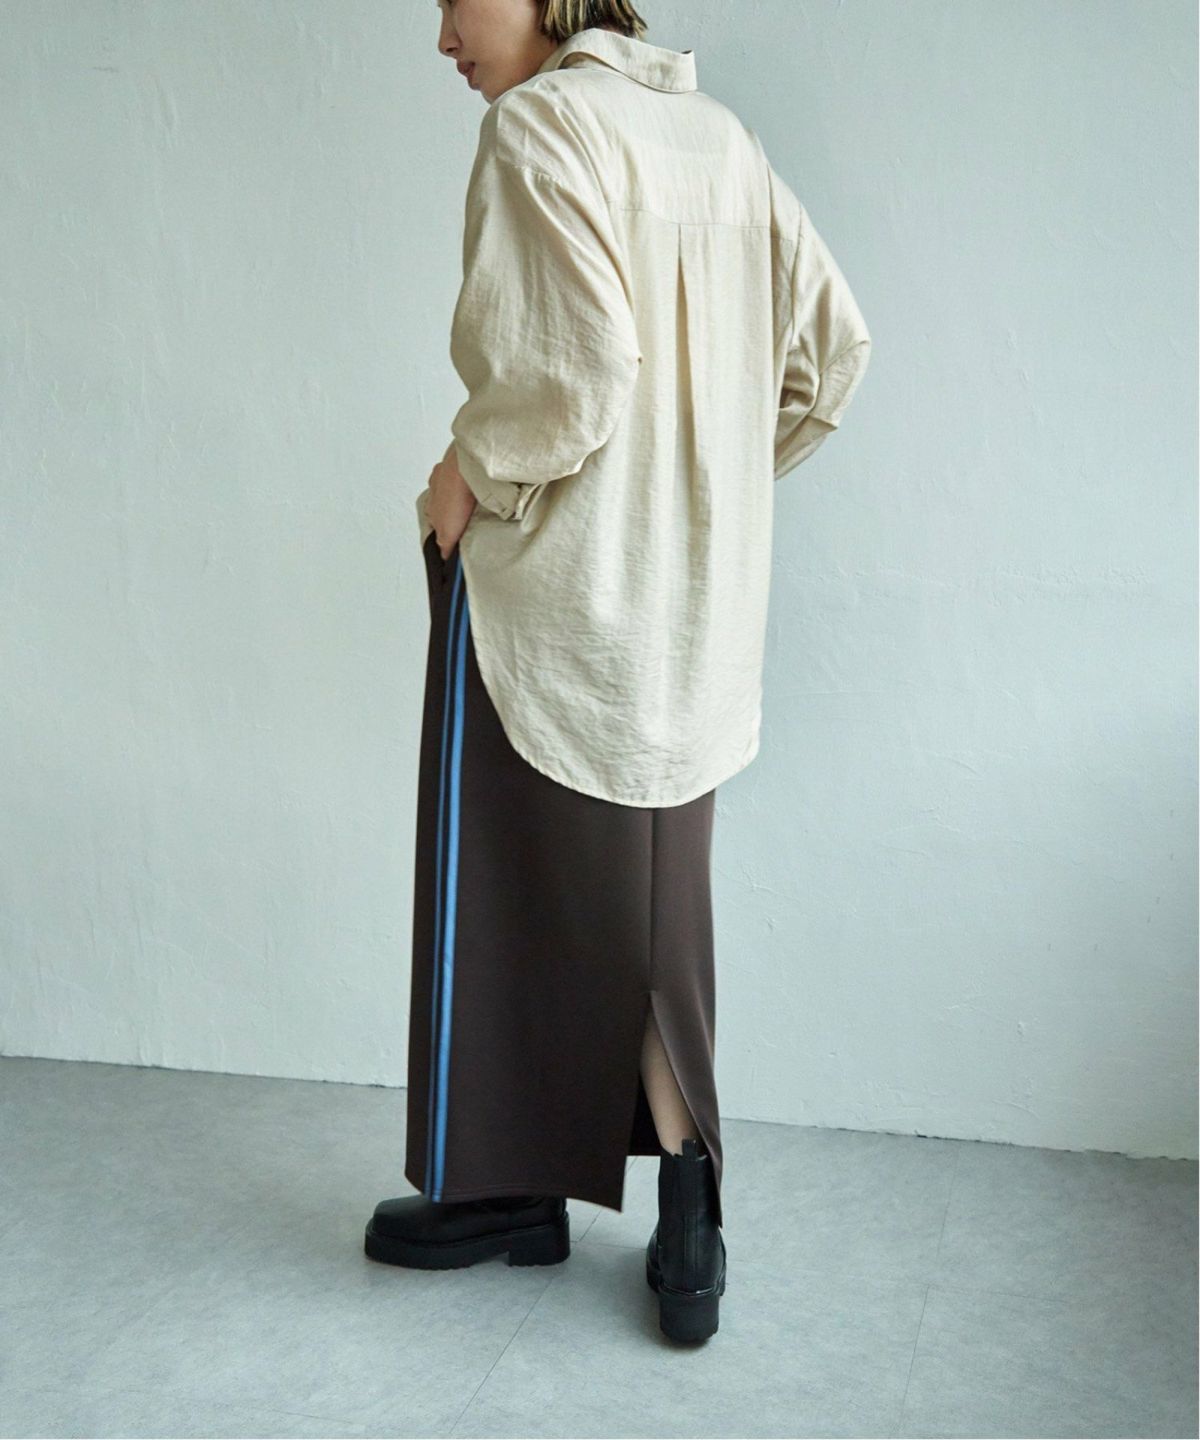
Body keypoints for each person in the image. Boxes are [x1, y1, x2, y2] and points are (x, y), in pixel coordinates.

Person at [364, 0, 871, 1345]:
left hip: (561, 597)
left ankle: (509, 1190)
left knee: (506, 882)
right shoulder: (720, 140)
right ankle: (688, 1212)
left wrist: (465, 474)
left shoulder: (540, 127)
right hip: (695, 610)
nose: (441, 36)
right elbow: (831, 355)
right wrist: (704, 494)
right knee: (657, 900)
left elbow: (571, 374)